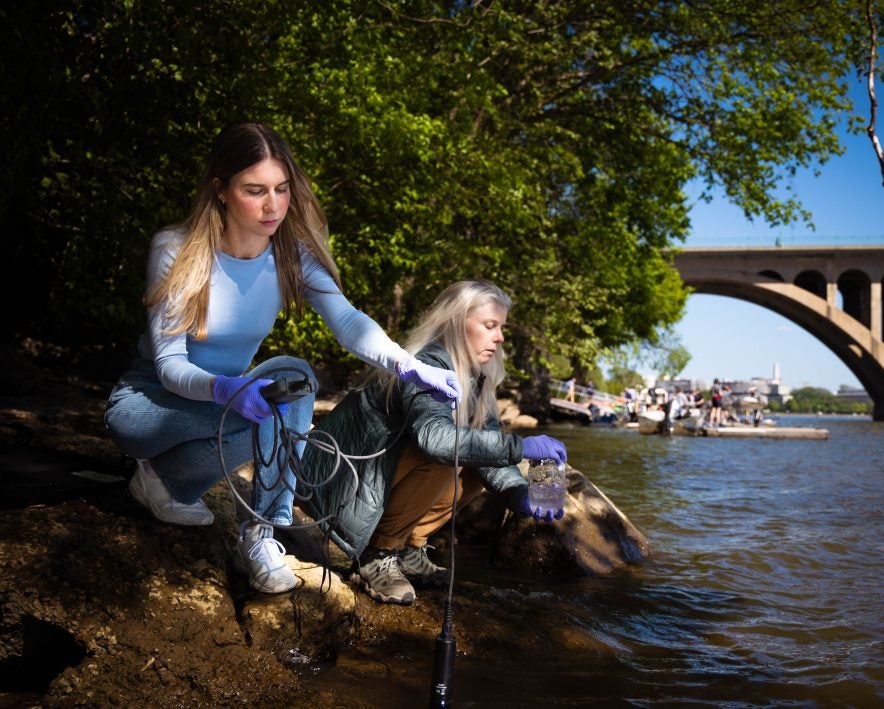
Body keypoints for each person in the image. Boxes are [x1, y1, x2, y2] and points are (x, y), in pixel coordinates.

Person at [104, 122, 461, 596]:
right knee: (272, 411)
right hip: (151, 403)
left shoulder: (292, 254)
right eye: (255, 191)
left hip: (231, 404)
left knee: (294, 377)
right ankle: (159, 470)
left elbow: (348, 321)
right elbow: (169, 364)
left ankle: (257, 532)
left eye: (282, 189)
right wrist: (224, 388)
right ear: (221, 190)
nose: (272, 205)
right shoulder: (176, 249)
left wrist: (408, 365)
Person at [302, 280, 568, 605]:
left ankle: (410, 546)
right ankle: (378, 554)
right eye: (489, 326)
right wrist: (522, 447)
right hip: (336, 481)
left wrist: (518, 494)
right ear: (456, 323)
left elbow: (490, 445)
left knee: (480, 457)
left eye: (501, 328)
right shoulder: (428, 364)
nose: (499, 338)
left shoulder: (479, 377)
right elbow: (434, 440)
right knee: (448, 452)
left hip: (378, 480)